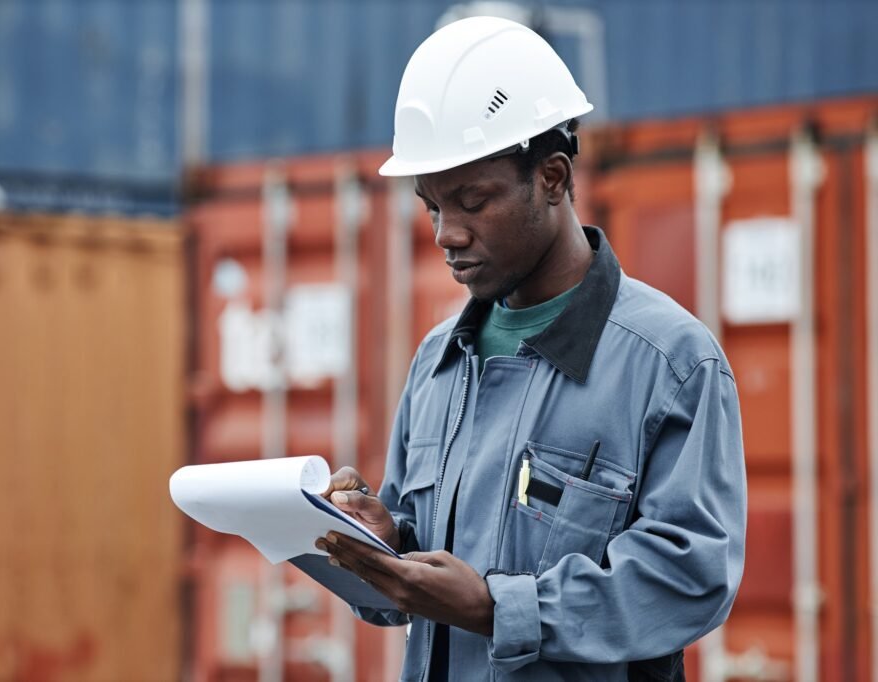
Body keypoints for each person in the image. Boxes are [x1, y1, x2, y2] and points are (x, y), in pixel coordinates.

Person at [314, 16, 746, 682]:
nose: (445, 234)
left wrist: (497, 608)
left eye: (472, 201)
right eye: (431, 206)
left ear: (550, 177)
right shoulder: (438, 362)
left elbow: (689, 578)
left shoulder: (667, 363)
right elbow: (417, 573)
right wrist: (387, 540)